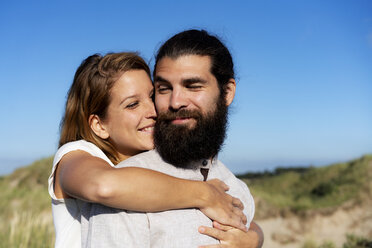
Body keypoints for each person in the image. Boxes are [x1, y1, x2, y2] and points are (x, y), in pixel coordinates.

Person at [80, 29, 264, 248]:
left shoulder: (238, 189)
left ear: (227, 93)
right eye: (164, 88)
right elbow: (103, 185)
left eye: (193, 86)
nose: (176, 102)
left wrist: (256, 238)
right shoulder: (127, 192)